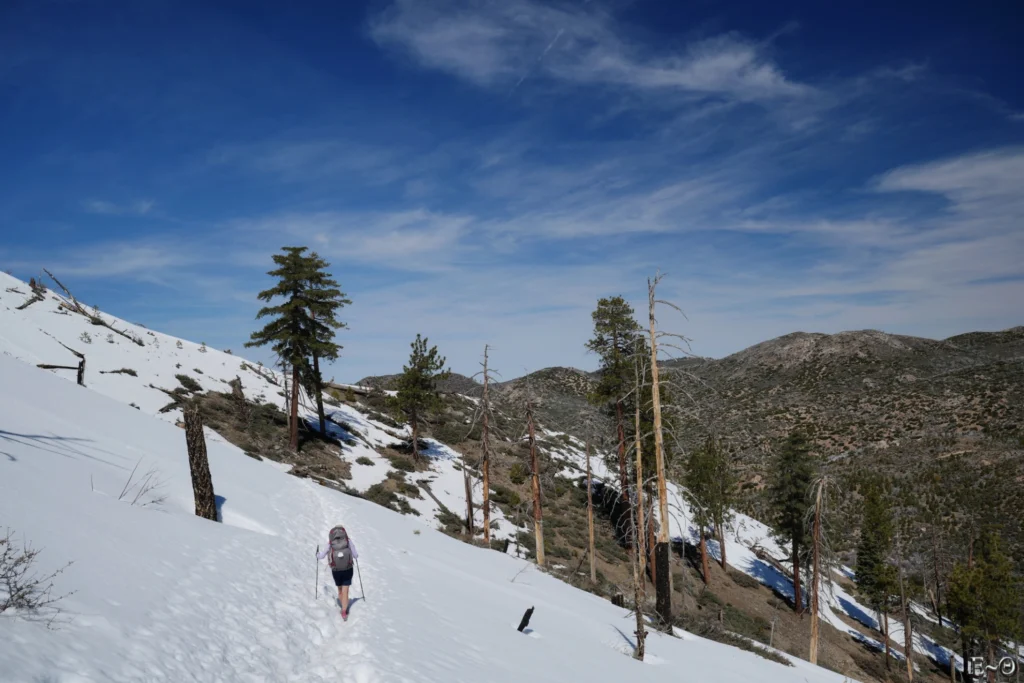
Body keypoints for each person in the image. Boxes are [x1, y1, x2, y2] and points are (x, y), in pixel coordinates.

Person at [317, 525, 358, 619]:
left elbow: (322, 556)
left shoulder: (331, 543)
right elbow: (355, 555)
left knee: (340, 589)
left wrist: (317, 554)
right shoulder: (348, 541)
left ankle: (343, 606)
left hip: (336, 570)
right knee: (346, 589)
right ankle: (344, 610)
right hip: (348, 569)